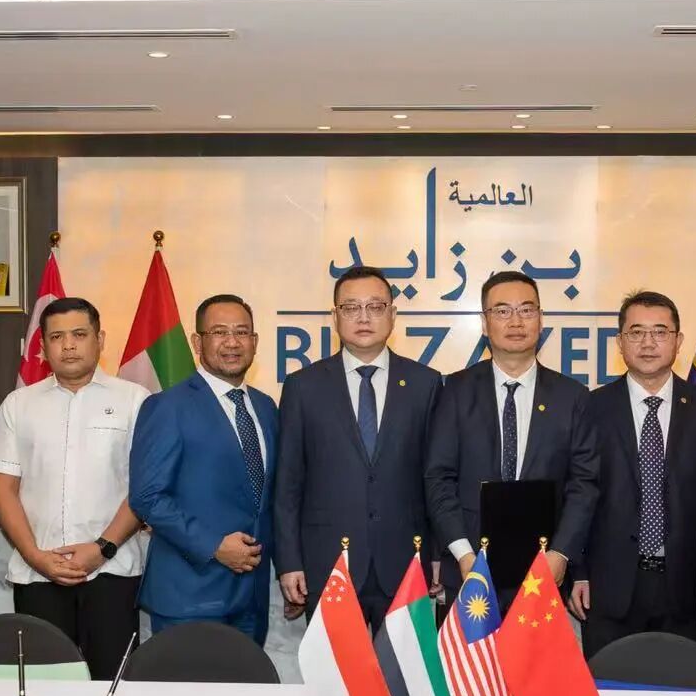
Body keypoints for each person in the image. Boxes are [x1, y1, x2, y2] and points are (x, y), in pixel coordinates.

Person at [0, 297, 145, 677]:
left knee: (114, 685)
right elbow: (2, 490)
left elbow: (144, 487)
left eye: (79, 334)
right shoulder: (18, 404)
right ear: (42, 346)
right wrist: (34, 556)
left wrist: (102, 548)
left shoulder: (135, 400)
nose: (68, 345)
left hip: (112, 571)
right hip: (38, 573)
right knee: (45, 686)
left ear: (100, 339)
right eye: (57, 337)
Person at [276, 265, 441, 624]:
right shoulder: (303, 386)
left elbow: (435, 480)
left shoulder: (425, 384)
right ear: (334, 316)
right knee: (333, 664)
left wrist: (437, 555)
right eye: (351, 307)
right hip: (328, 564)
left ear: (392, 314)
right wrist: (289, 561)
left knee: (401, 664)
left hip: (405, 564)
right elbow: (288, 484)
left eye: (375, 306)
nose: (363, 317)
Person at [424, 270, 599, 594]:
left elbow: (584, 483)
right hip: (468, 566)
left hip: (545, 570)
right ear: (484, 322)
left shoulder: (572, 396)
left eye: (526, 310)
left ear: (541, 319)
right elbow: (438, 478)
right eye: (503, 311)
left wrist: (561, 554)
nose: (516, 322)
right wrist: (462, 553)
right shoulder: (455, 390)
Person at [570, 290, 696, 655]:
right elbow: (575, 494)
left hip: (686, 588)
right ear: (620, 342)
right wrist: (578, 571)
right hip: (608, 587)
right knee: (610, 687)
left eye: (660, 332)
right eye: (636, 332)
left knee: (683, 687)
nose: (648, 343)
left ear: (678, 341)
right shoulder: (591, 407)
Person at [129, 294, 279, 645]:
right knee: (188, 683)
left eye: (241, 332)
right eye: (219, 332)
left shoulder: (266, 407)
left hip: (252, 599)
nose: (232, 342)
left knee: (246, 682)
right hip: (189, 595)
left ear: (255, 342)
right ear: (197, 342)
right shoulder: (167, 406)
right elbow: (147, 497)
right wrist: (214, 546)